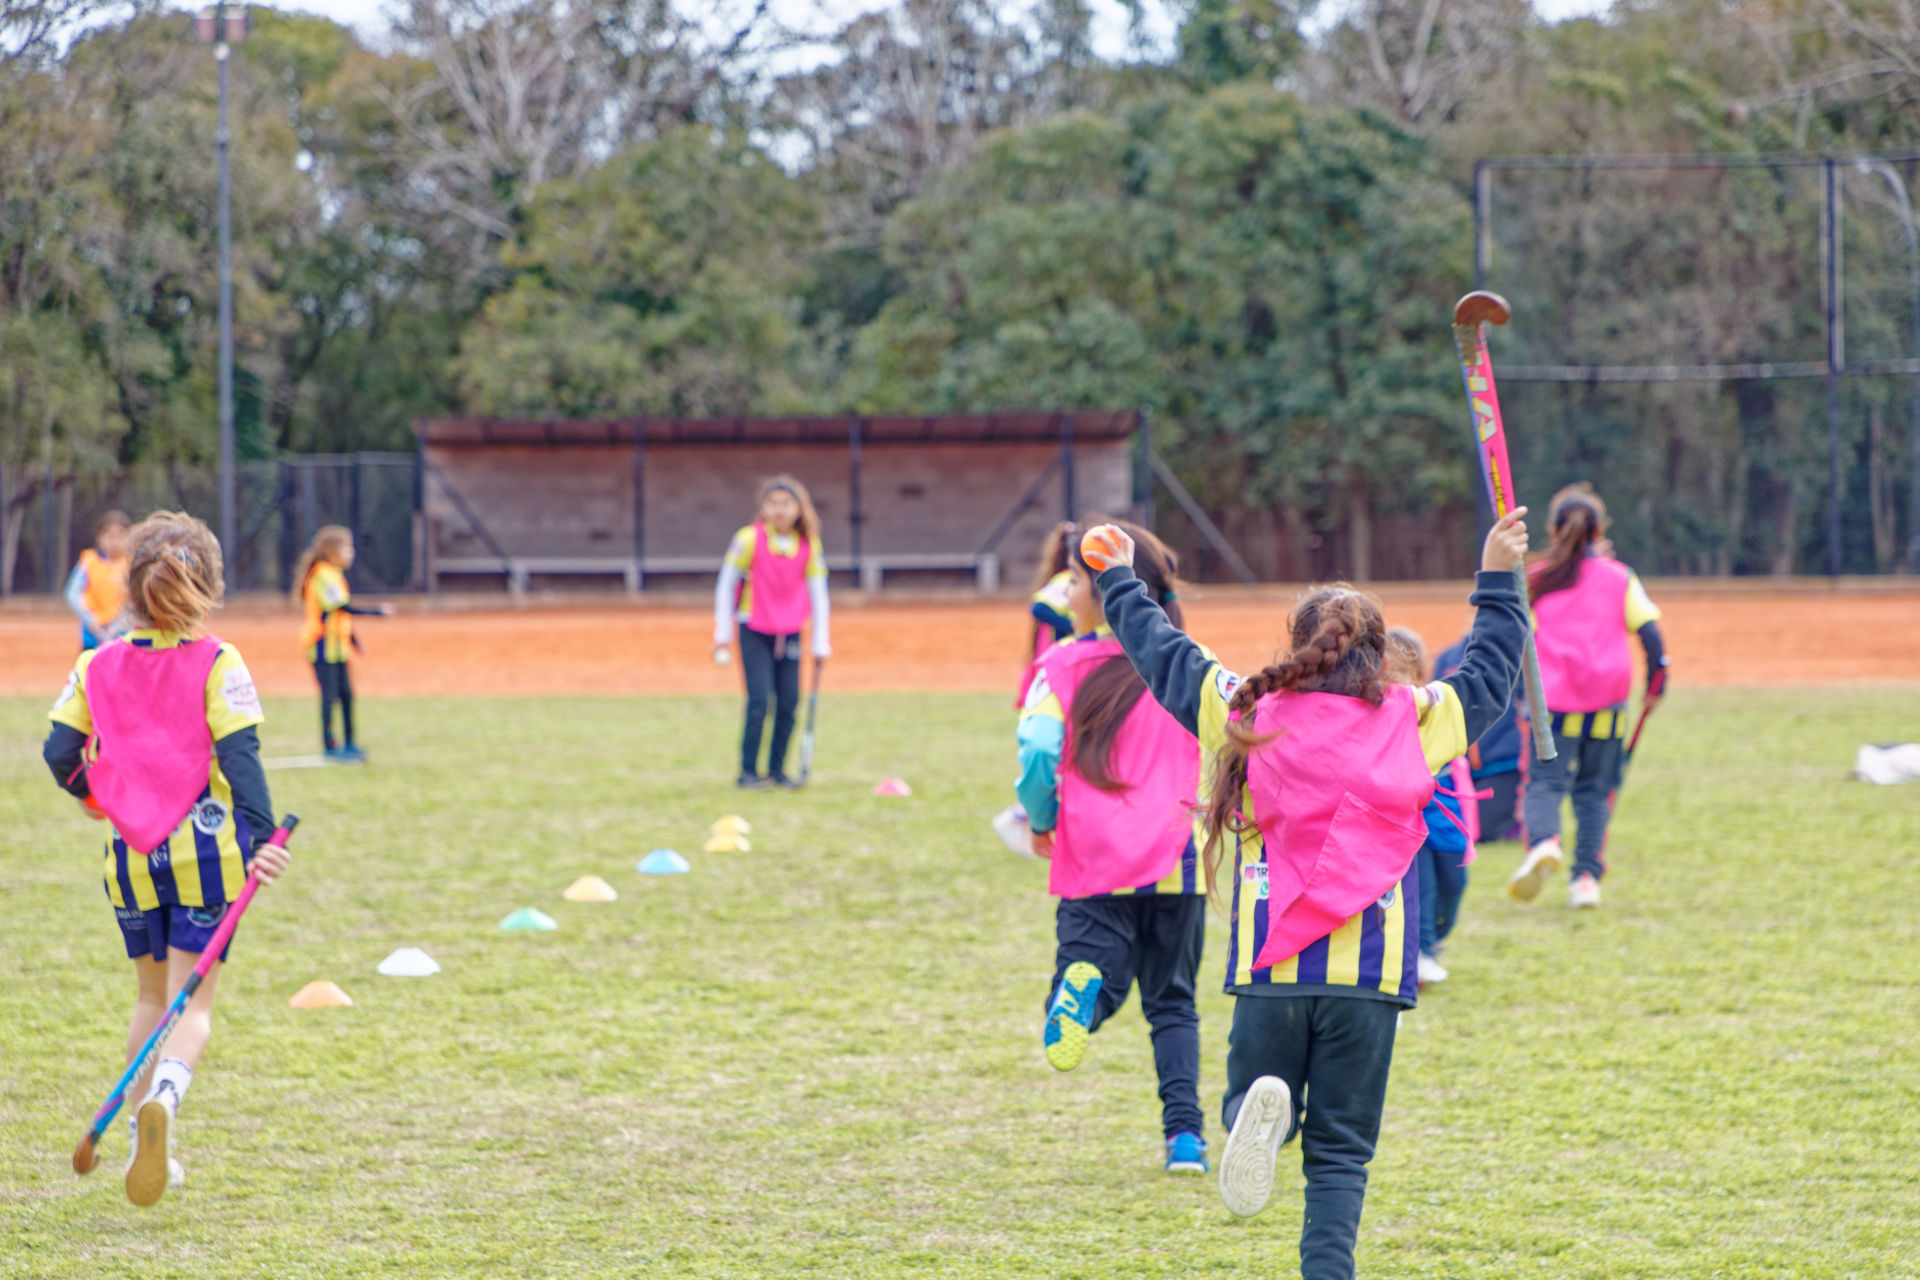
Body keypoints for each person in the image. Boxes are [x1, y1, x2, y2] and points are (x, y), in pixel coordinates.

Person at [1077, 510, 1530, 1278]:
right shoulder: (1416, 719)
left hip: (1271, 970)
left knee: (1247, 1100)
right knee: (1343, 1155)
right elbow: (1489, 671)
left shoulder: (1246, 709)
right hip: (1371, 978)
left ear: (1297, 645)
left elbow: (1165, 656)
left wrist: (1120, 579)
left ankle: (1263, 1111)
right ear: (1383, 654)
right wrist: (1497, 577)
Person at [42, 511, 293, 1208]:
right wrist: (264, 840)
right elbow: (242, 761)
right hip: (206, 858)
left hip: (130, 859)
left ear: (132, 587)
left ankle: (140, 1142)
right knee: (196, 1006)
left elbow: (59, 755)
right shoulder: (219, 660)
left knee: (151, 998)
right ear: (207, 585)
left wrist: (101, 798)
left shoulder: (95, 662)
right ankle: (167, 1102)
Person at [1016, 519, 1210, 1174]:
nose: (1066, 591)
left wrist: (1040, 816)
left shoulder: (1062, 664)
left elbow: (1039, 749)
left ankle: (1079, 997)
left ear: (1098, 590)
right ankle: (1185, 1140)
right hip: (1177, 856)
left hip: (1093, 854)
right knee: (1173, 1003)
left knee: (1090, 972)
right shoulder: (1187, 662)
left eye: (1074, 579)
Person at [1507, 484, 1669, 910]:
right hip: (1608, 701)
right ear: (1599, 531)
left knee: (1544, 783)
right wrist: (1657, 684)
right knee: (1596, 791)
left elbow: (1512, 635)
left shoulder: (1537, 578)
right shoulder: (1619, 577)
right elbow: (1652, 637)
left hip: (1553, 704)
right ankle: (1585, 880)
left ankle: (1544, 842)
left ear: (1555, 529)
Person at [713, 476, 831, 789]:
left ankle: (778, 771)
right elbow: (726, 583)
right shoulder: (748, 539)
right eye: (773, 503)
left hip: (790, 632)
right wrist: (721, 631)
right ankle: (748, 771)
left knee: (790, 702)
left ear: (798, 509)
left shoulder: (808, 545)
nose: (779, 509)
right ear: (763, 508)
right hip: (754, 628)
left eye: (786, 503)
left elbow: (818, 592)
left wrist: (821, 640)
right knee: (759, 700)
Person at [293, 526, 394, 763]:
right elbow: (340, 607)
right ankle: (330, 746)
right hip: (321, 647)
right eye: (347, 548)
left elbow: (340, 617)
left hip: (337, 648)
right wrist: (376, 612)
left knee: (347, 695)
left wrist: (354, 641)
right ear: (332, 551)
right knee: (329, 697)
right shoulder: (323, 575)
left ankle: (350, 744)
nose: (352, 553)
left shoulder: (335, 575)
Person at [66, 510, 132, 650]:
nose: (115, 541)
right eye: (110, 536)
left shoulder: (132, 564)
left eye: (120, 536)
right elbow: (72, 593)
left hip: (123, 637)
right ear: (100, 538)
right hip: (92, 637)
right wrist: (90, 618)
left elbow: (136, 600)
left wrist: (118, 625)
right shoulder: (89, 561)